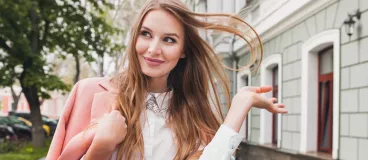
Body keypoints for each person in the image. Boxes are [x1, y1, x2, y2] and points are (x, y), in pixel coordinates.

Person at [46, 0, 287, 160]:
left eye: (169, 40)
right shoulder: (89, 92)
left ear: (183, 50)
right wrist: (101, 147)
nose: (153, 49)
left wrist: (239, 107)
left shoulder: (191, 115)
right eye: (146, 34)